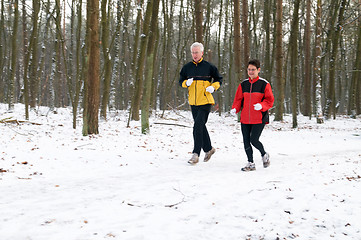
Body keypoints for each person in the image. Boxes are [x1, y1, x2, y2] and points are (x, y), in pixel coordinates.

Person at [179, 42, 223, 164]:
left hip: (206, 101)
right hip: (193, 102)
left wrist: (213, 87)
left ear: (202, 53)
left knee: (197, 126)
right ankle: (209, 149)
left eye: (197, 52)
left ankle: (195, 154)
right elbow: (180, 81)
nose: (194, 55)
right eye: (193, 52)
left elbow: (219, 79)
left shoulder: (209, 67)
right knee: (200, 126)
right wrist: (185, 83)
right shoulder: (187, 67)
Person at [231, 59, 274, 171]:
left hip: (259, 118)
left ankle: (264, 154)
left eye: (253, 70)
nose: (250, 72)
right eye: (249, 69)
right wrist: (235, 109)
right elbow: (238, 99)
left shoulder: (264, 84)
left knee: (254, 140)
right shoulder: (243, 84)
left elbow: (270, 100)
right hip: (245, 118)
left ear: (258, 70)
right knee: (246, 141)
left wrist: (262, 105)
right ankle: (250, 163)